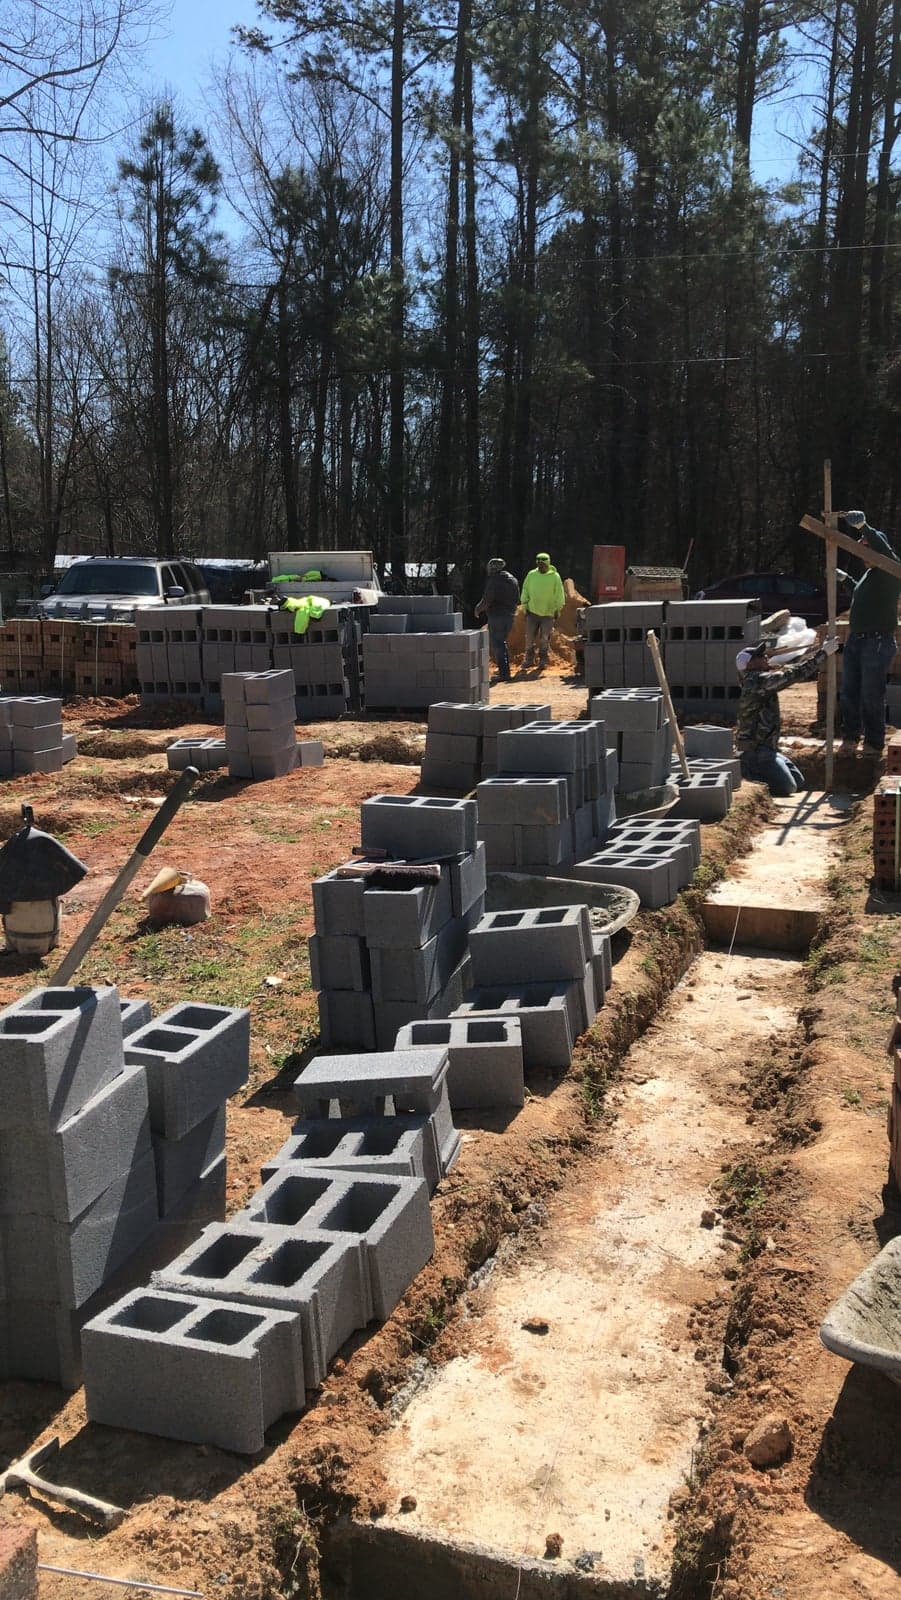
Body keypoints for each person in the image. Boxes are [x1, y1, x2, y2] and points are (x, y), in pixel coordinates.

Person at [735, 634, 839, 796]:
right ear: (750, 664)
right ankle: (750, 778)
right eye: (760, 656)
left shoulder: (757, 679)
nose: (765, 658)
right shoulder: (757, 682)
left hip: (768, 748)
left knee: (798, 782)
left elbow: (790, 670)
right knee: (788, 788)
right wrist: (822, 654)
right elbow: (792, 675)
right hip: (757, 752)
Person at [836, 509, 901, 756]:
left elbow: (884, 549)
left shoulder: (890, 572)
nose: (862, 552)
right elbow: (861, 595)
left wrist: (864, 527)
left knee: (870, 694)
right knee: (850, 691)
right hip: (857, 640)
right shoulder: (870, 575)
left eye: (865, 547)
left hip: (877, 642)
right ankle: (850, 738)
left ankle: (873, 743)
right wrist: (846, 580)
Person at [475, 557, 520, 682]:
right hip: (510, 616)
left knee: (498, 644)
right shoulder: (513, 579)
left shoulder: (494, 581)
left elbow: (487, 599)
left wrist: (478, 609)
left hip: (497, 616)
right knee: (502, 642)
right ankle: (504, 670)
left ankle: (504, 673)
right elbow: (517, 598)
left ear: (492, 568)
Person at [520, 551, 565, 672]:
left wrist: (557, 609)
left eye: (543, 565)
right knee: (529, 637)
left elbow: (559, 594)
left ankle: (543, 659)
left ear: (548, 564)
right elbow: (525, 590)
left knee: (544, 637)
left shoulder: (555, 577)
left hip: (548, 613)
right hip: (532, 612)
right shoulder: (531, 575)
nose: (541, 567)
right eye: (539, 565)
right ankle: (529, 659)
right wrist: (525, 606)